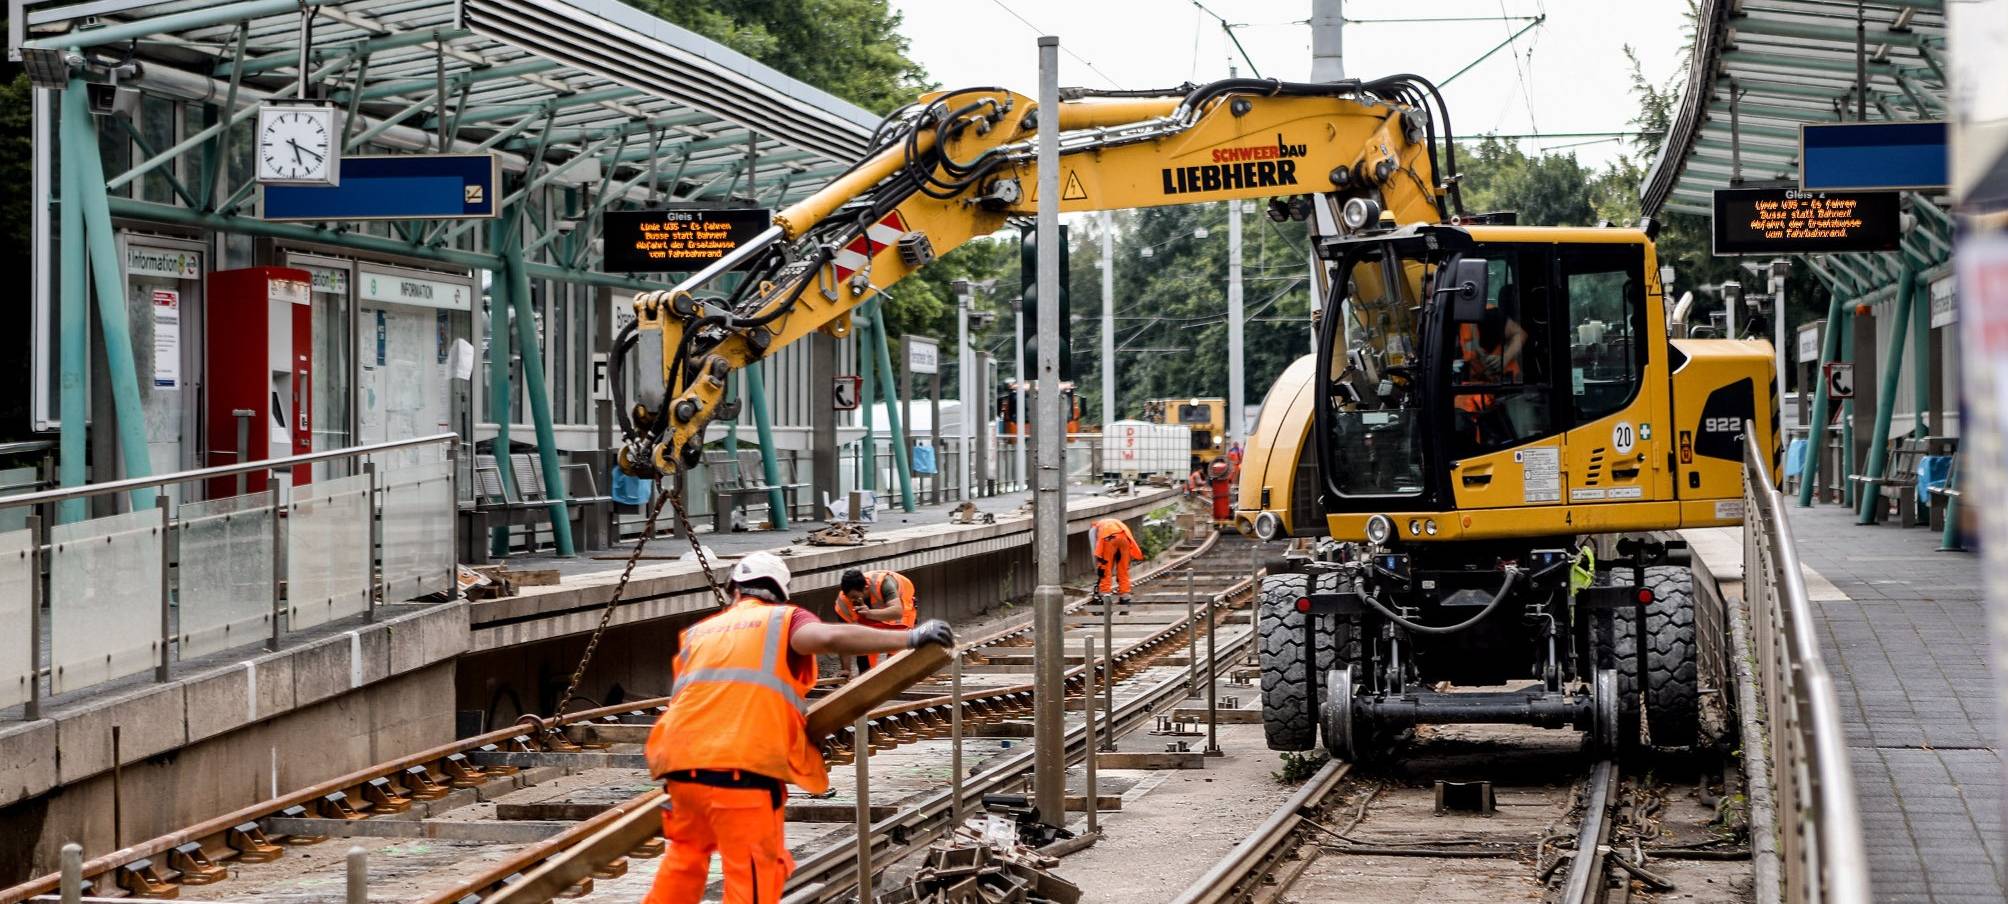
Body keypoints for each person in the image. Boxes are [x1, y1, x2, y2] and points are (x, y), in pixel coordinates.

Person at [643, 552, 952, 904]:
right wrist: (909, 639)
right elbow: (828, 639)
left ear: (733, 589)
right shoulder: (783, 620)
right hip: (741, 770)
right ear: (780, 591)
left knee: (684, 863)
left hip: (680, 769)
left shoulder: (699, 632)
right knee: (754, 873)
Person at [834, 568, 918, 674]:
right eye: (849, 597)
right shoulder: (842, 603)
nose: (852, 601)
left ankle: (895, 674)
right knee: (863, 653)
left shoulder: (885, 583)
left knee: (896, 658)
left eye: (855, 597)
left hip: (900, 614)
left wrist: (869, 613)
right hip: (872, 617)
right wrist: (846, 669)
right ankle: (867, 677)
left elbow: (897, 612)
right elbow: (842, 638)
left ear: (866, 588)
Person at [1092, 517, 1144, 604]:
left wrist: (1098, 565)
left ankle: (1105, 595)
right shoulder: (1115, 522)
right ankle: (1125, 596)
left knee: (1105, 568)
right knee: (1123, 569)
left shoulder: (1095, 528)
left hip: (1108, 539)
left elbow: (1095, 549)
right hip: (1124, 538)